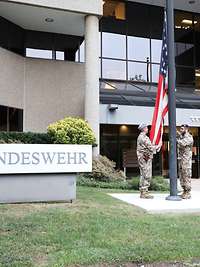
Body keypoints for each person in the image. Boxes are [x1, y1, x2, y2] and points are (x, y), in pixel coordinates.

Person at [136, 123, 160, 199]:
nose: (147, 129)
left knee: (143, 174)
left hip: (144, 158)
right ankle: (144, 192)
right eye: (146, 127)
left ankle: (143, 191)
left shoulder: (142, 137)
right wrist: (157, 146)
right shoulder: (143, 137)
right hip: (145, 158)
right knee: (146, 174)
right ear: (144, 129)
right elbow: (150, 147)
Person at [177, 124, 193, 199]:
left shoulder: (189, 137)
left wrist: (176, 139)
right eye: (180, 128)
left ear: (186, 129)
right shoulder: (181, 137)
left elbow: (182, 143)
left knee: (186, 176)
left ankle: (188, 192)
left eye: (182, 129)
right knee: (181, 176)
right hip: (181, 159)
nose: (180, 130)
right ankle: (184, 191)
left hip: (186, 160)